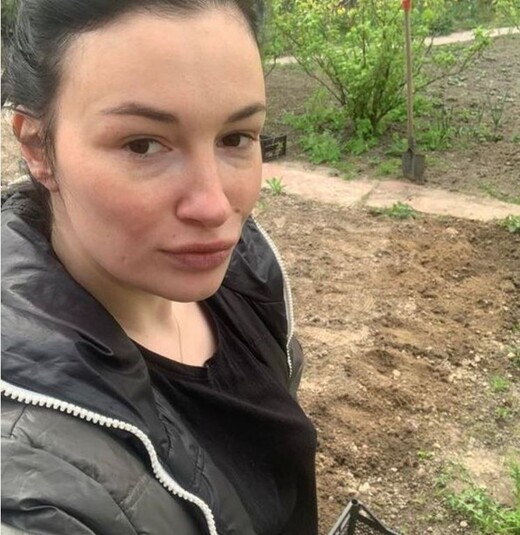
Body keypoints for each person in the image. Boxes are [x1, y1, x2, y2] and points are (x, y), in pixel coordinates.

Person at [0, 1, 319, 534]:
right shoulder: (27, 485)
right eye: (143, 145)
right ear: (37, 147)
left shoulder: (245, 281)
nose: (214, 206)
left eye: (236, 138)